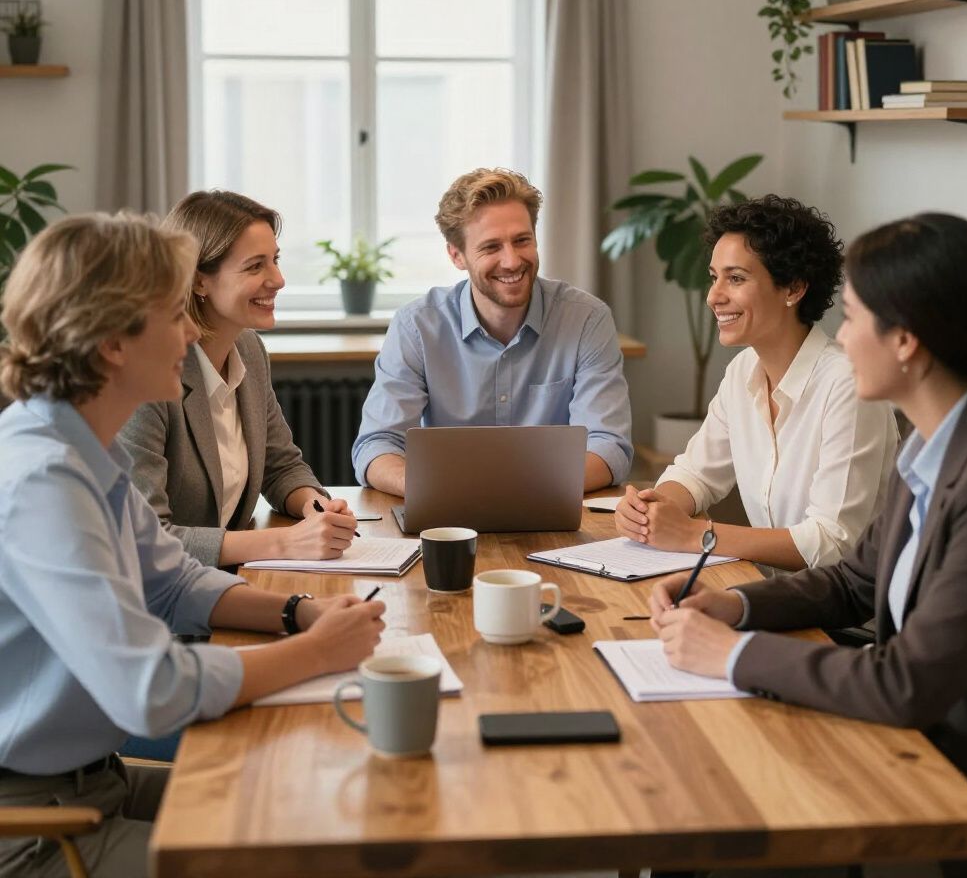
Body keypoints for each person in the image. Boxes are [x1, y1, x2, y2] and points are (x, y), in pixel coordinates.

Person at [0, 213, 385, 878]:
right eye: (175, 312)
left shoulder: (79, 447)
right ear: (114, 342)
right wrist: (313, 653)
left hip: (95, 784)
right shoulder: (44, 482)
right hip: (33, 826)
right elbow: (152, 690)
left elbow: (173, 581)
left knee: (312, 807)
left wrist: (298, 612)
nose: (190, 331)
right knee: (306, 858)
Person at [651, 213, 967, 878]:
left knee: (722, 800)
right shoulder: (933, 446)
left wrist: (733, 655)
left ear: (906, 340)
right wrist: (733, 607)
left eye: (851, 319)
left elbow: (907, 683)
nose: (840, 339)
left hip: (966, 749)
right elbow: (853, 580)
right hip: (912, 716)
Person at [616, 195, 898, 571]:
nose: (714, 296)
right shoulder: (742, 371)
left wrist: (694, 535)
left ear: (794, 288)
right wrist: (650, 508)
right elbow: (696, 473)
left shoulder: (848, 384)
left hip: (846, 619)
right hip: (775, 595)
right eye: (714, 277)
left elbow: (832, 543)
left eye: (736, 278)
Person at [352, 167, 633, 496]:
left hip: (551, 509)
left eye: (522, 240)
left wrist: (514, 491)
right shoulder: (417, 326)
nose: (512, 261)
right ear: (457, 256)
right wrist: (440, 490)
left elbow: (609, 445)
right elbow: (377, 445)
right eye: (491, 247)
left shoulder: (587, 319)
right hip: (449, 514)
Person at [120, 190, 357, 569]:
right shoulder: (148, 377)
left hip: (220, 583)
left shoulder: (248, 350)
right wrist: (284, 542)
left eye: (275, 260)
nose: (278, 280)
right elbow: (146, 540)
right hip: (160, 603)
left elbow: (281, 465)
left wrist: (316, 508)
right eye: (255, 266)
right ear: (199, 281)